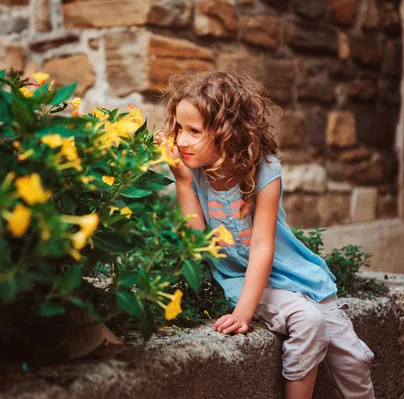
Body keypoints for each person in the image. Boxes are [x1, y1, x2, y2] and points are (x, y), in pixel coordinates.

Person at [155, 71, 375, 399]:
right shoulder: (195, 174)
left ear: (227, 133)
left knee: (354, 358)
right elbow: (196, 241)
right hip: (245, 282)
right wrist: (184, 183)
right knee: (309, 323)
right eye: (178, 128)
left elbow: (261, 246)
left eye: (194, 131)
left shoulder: (265, 170)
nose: (181, 140)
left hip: (294, 274)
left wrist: (244, 313)